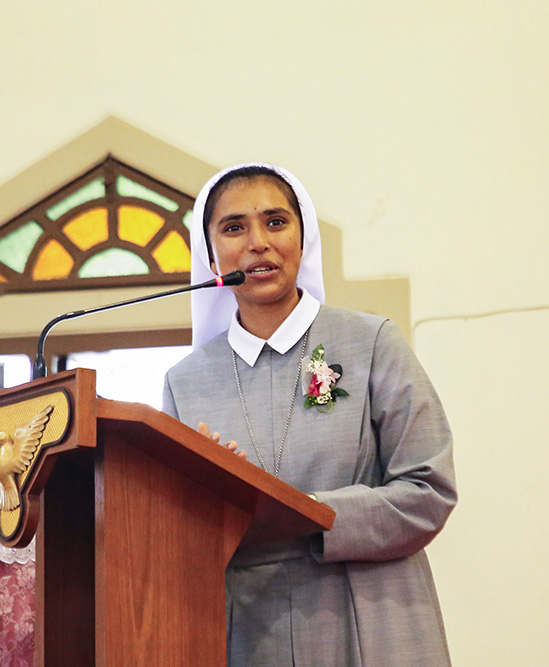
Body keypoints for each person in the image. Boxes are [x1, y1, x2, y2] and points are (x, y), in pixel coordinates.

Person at [162, 163, 456, 666]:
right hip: (248, 633)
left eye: (275, 221)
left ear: (303, 238)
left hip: (368, 619)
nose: (257, 242)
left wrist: (308, 513)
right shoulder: (185, 381)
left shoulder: (371, 343)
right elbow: (174, 532)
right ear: (211, 257)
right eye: (234, 228)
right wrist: (213, 498)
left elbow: (429, 491)